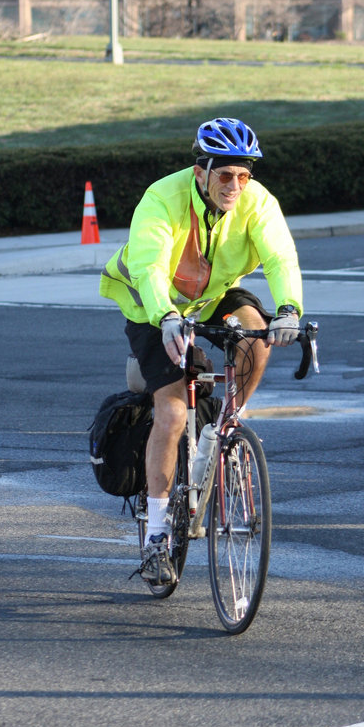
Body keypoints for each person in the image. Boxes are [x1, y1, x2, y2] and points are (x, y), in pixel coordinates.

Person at [100, 116, 304, 586]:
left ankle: (226, 423)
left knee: (256, 328)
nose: (236, 185)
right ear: (201, 171)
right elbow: (149, 266)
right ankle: (155, 539)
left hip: (213, 295)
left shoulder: (257, 202)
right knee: (172, 414)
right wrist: (168, 317)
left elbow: (280, 256)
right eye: (225, 175)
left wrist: (290, 308)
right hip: (153, 304)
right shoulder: (162, 198)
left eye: (244, 176)